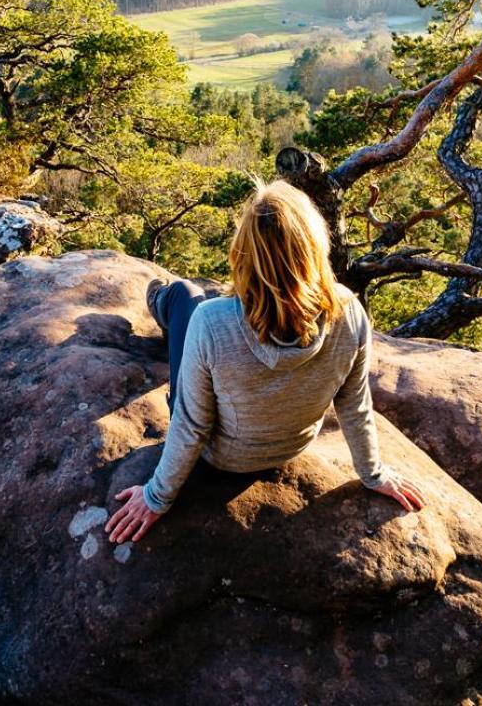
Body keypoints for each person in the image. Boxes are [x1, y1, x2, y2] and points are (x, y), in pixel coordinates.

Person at [106, 180, 427, 545]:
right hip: (293, 445)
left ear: (244, 250)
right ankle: (172, 301)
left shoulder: (212, 322)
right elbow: (355, 406)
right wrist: (373, 474)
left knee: (186, 296)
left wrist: (156, 497)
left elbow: (192, 424)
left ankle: (161, 298)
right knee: (203, 308)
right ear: (314, 247)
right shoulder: (349, 311)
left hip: (224, 457)